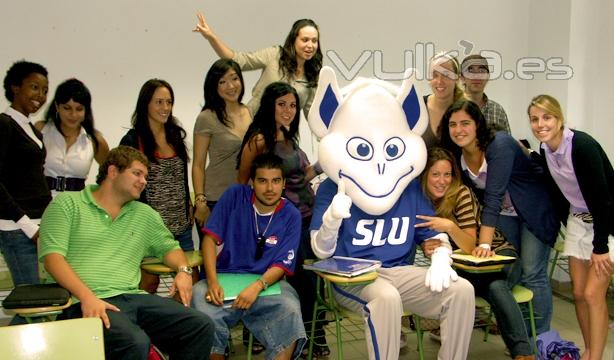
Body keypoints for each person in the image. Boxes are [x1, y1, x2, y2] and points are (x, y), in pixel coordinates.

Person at [38, 146, 214, 360]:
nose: (144, 181)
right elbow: (53, 259)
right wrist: (87, 297)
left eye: (146, 176)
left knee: (200, 325)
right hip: (83, 301)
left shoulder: (144, 214)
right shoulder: (68, 205)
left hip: (133, 297)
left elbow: (170, 248)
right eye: (137, 173)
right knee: (134, 342)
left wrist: (184, 271)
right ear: (113, 172)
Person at [440, 99, 559, 335]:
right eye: (453, 124)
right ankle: (521, 333)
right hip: (506, 213)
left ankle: (540, 339)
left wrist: (484, 243)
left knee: (533, 273)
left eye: (465, 123)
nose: (459, 130)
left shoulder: (499, 144)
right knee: (513, 266)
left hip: (535, 210)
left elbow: (493, 196)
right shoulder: (457, 153)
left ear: (478, 125)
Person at [416, 147, 534, 360]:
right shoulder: (421, 200)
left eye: (447, 174)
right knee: (492, 287)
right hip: (467, 268)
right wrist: (425, 246)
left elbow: (471, 245)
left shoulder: (460, 193)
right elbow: (429, 242)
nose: (443, 181)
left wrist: (450, 226)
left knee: (495, 285)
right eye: (436, 174)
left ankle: (523, 354)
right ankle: (523, 353)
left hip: (500, 256)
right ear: (425, 176)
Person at [236, 81, 326, 356]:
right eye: (281, 104)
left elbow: (303, 177)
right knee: (304, 283)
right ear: (269, 106)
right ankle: (307, 337)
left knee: (316, 280)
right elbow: (243, 185)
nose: (288, 110)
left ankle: (312, 335)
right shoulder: (259, 141)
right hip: (284, 223)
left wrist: (329, 161)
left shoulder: (290, 139)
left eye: (292, 105)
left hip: (311, 219)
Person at [192, 153, 306, 360]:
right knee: (202, 312)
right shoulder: (235, 195)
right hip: (223, 278)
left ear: (284, 184)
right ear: (252, 182)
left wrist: (257, 286)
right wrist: (212, 280)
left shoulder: (291, 215)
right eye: (262, 181)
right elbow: (209, 239)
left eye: (276, 181)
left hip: (267, 284)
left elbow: (281, 265)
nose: (270, 188)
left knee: (290, 310)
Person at [527, 95, 614, 360]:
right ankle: (589, 350)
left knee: (592, 293)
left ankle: (595, 357)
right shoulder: (545, 150)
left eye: (547, 117)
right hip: (578, 221)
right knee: (577, 293)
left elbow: (603, 200)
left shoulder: (581, 145)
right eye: (534, 119)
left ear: (560, 119)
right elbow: (558, 191)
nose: (540, 124)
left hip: (606, 223)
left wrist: (600, 248)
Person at [121, 79, 196, 292]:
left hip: (181, 226)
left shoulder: (175, 135)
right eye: (159, 102)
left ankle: (179, 323)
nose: (165, 108)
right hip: (149, 229)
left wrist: (187, 204)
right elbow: (124, 186)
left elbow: (181, 176)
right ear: (145, 104)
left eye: (169, 102)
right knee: (149, 283)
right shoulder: (133, 140)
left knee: (190, 280)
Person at [193, 14, 322, 117]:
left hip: (284, 138)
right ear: (294, 40)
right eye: (305, 40)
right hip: (251, 126)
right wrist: (211, 37)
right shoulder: (275, 54)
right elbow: (238, 60)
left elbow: (312, 114)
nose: (310, 45)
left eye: (314, 41)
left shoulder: (313, 76)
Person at [0, 60, 51, 286]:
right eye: (34, 87)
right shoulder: (4, 124)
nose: (40, 95)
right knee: (33, 301)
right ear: (15, 87)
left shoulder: (32, 130)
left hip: (38, 225)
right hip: (17, 228)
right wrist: (27, 225)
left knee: (44, 299)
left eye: (45, 91)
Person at [192, 59, 251, 230]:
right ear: (214, 86)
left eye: (234, 78)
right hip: (216, 199)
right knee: (215, 255)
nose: (231, 86)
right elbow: (198, 164)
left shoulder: (249, 111)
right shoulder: (207, 117)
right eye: (222, 82)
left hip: (245, 197)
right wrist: (200, 201)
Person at [35, 78, 109, 196]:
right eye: (67, 108)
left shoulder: (95, 140)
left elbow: (111, 174)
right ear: (57, 107)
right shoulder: (41, 130)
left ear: (86, 111)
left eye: (79, 109)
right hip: (40, 203)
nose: (73, 115)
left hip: (77, 206)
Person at [422, 51, 464, 149]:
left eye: (446, 75)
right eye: (435, 75)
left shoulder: (467, 110)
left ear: (457, 78)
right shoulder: (418, 107)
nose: (440, 81)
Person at [460, 54, 511, 133]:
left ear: (487, 77)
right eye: (470, 71)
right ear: (462, 78)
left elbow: (506, 143)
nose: (476, 76)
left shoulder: (498, 111)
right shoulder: (451, 108)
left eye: (481, 71)